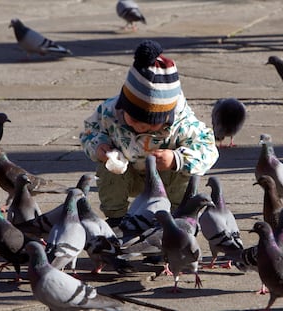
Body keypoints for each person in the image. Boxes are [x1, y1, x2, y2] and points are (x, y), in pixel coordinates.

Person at [80, 39, 219, 227]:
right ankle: (116, 217)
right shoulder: (108, 112)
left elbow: (209, 148)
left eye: (150, 124)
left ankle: (179, 215)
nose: (140, 128)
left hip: (166, 179)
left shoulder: (183, 124)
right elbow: (89, 132)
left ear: (167, 116)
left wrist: (176, 159)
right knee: (106, 169)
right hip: (130, 176)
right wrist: (99, 146)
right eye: (134, 120)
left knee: (187, 173)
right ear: (124, 107)